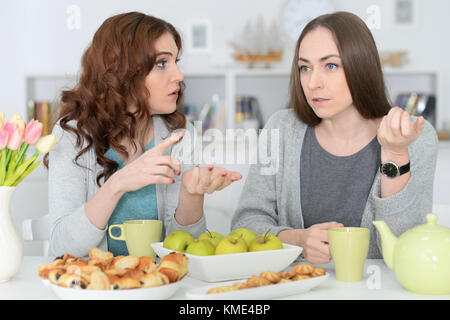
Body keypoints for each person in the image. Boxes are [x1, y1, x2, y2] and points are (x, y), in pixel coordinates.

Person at [231, 11, 438, 264]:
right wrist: (297, 240)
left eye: (330, 66)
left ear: (360, 66)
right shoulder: (281, 129)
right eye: (305, 68)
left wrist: (395, 155)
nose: (313, 83)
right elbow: (244, 224)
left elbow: (407, 250)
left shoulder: (415, 137)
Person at [46, 12, 242, 257]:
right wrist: (118, 183)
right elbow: (62, 248)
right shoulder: (72, 136)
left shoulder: (180, 135)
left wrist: (191, 194)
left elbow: (185, 250)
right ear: (122, 72)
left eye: (175, 62)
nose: (178, 76)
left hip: (158, 286)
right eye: (161, 63)